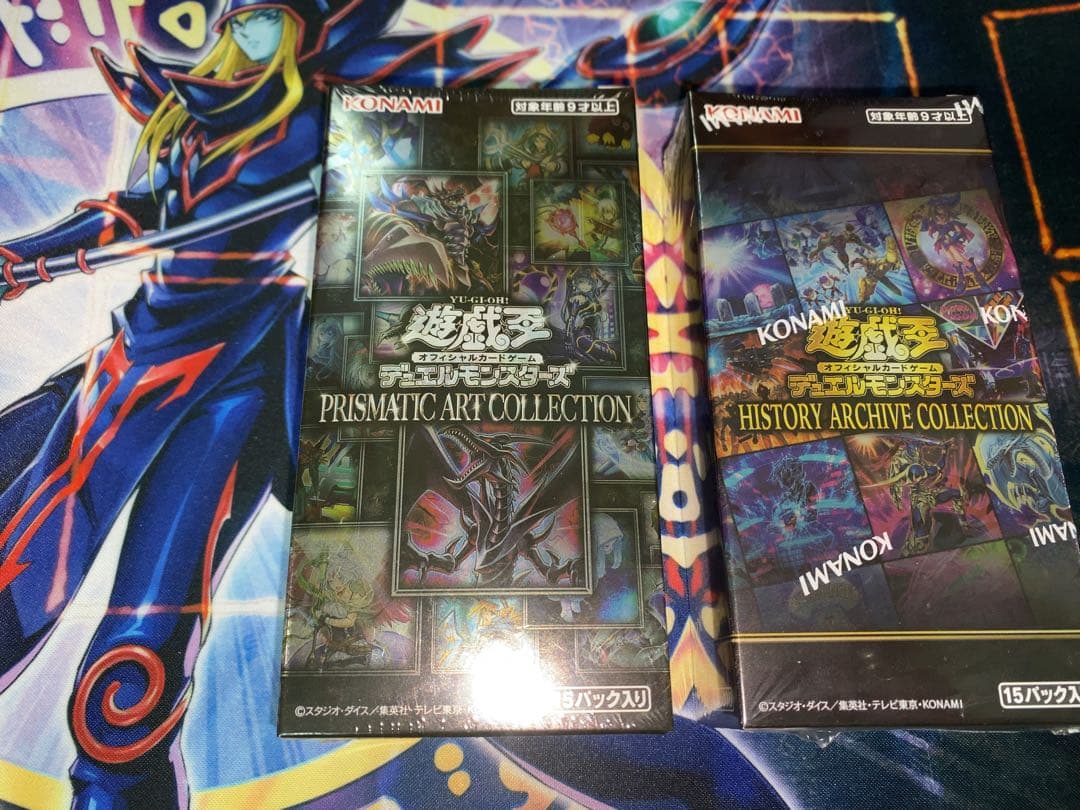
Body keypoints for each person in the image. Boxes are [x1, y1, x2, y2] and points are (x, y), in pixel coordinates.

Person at [0, 3, 531, 805]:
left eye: (267, 16)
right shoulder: (194, 118)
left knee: (140, 650)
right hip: (135, 362)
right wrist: (28, 258)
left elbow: (409, 217)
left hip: (235, 382)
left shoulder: (316, 119)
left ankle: (115, 789)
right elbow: (135, 212)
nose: (246, 33)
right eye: (240, 16)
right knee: (26, 563)